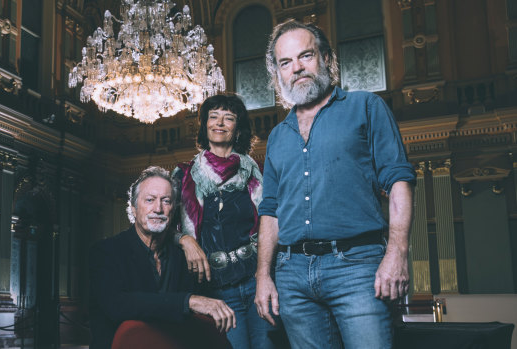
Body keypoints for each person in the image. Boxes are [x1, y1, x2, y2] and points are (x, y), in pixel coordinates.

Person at [254, 19, 416, 349]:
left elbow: (398, 179)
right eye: (286, 63)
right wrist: (263, 276)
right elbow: (270, 211)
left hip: (357, 268)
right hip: (292, 274)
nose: (297, 68)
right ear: (278, 74)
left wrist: (397, 252)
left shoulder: (366, 107)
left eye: (306, 56)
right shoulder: (277, 137)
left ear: (326, 58)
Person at [89, 166, 236, 349]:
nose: (158, 208)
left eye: (166, 201)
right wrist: (187, 301)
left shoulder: (185, 258)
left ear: (173, 210)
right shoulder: (106, 252)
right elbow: (117, 305)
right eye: (149, 200)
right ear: (133, 209)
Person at [173, 94, 278, 349]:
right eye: (213, 117)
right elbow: (161, 226)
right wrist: (185, 239)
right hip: (215, 288)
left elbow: (272, 221)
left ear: (237, 127)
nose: (219, 123)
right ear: (204, 125)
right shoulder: (184, 174)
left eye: (228, 118)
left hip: (257, 278)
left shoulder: (259, 172)